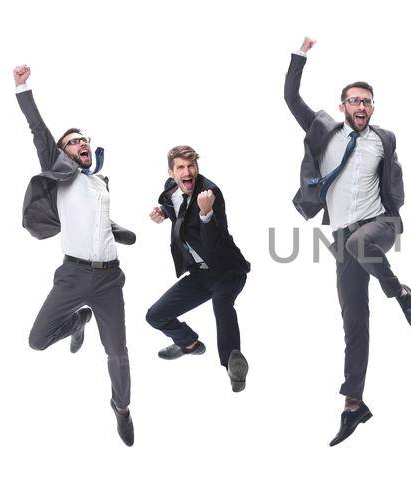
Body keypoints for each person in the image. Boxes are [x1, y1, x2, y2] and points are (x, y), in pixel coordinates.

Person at [284, 36, 411, 447]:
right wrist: (300, 53)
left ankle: (400, 292)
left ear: (372, 108)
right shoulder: (323, 130)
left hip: (380, 224)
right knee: (354, 322)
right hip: (343, 236)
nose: (361, 107)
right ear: (343, 105)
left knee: (363, 243)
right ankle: (353, 405)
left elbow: (393, 180)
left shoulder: (385, 138)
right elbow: (291, 97)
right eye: (354, 101)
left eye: (367, 101)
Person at [14, 64, 138, 446]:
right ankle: (78, 320)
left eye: (84, 140)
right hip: (72, 276)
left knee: (117, 352)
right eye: (73, 141)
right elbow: (39, 131)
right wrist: (23, 88)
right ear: (63, 152)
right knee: (37, 339)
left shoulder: (100, 182)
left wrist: (118, 229)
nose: (81, 144)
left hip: (109, 279)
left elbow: (96, 219)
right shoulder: (59, 169)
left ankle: (121, 409)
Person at [144, 145, 253, 391]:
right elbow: (177, 206)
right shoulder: (171, 188)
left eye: (191, 166)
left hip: (228, 270)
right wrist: (163, 212)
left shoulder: (211, 193)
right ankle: (189, 344)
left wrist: (206, 214)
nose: (187, 171)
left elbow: (213, 242)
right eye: (181, 167)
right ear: (171, 172)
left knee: (221, 303)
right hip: (200, 274)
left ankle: (233, 363)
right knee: (155, 316)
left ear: (197, 167)